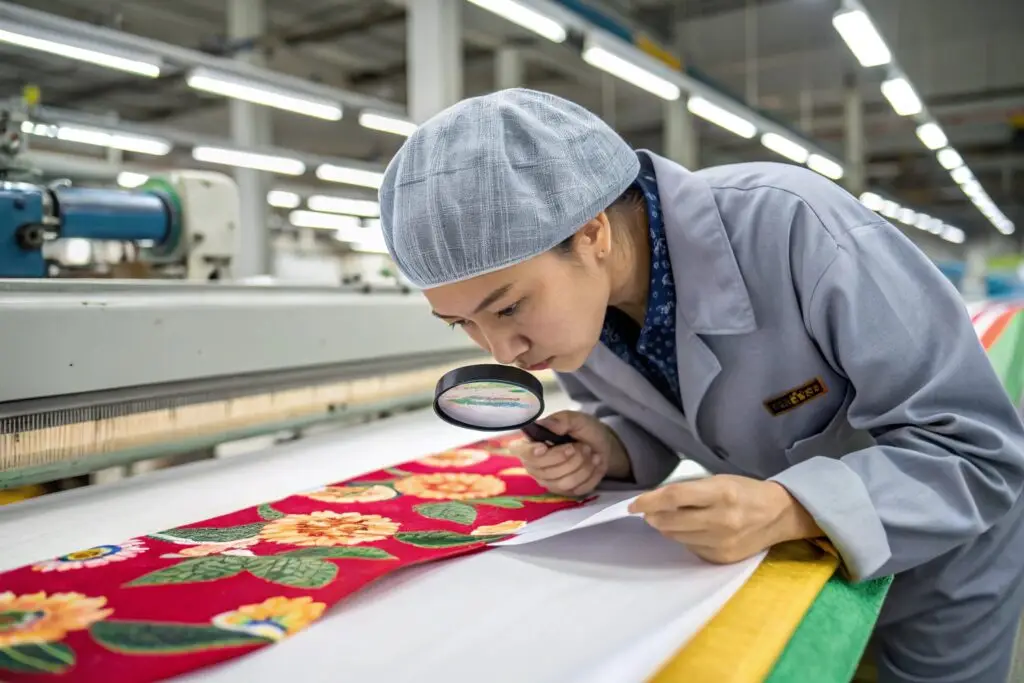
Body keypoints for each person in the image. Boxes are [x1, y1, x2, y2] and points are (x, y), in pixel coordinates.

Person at [377, 87, 1024, 683]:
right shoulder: (578, 314)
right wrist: (611, 446)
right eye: (463, 324)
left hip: (936, 560)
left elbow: (975, 450)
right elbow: (673, 421)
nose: (503, 352)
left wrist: (791, 508)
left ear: (592, 232)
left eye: (509, 307)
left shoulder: (794, 227)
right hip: (788, 566)